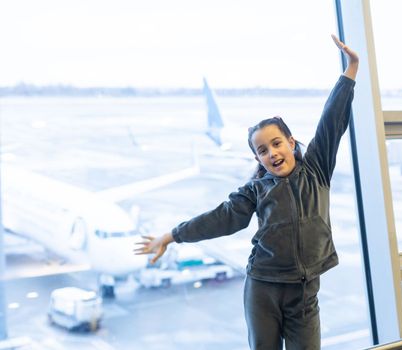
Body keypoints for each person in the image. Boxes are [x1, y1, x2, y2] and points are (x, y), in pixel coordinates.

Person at [135, 34, 359, 350]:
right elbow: (218, 219)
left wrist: (351, 69)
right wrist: (172, 236)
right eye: (263, 150)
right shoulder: (255, 191)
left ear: (291, 143)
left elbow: (332, 120)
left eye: (277, 143)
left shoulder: (317, 170)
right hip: (263, 288)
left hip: (305, 291)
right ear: (258, 158)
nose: (272, 153)